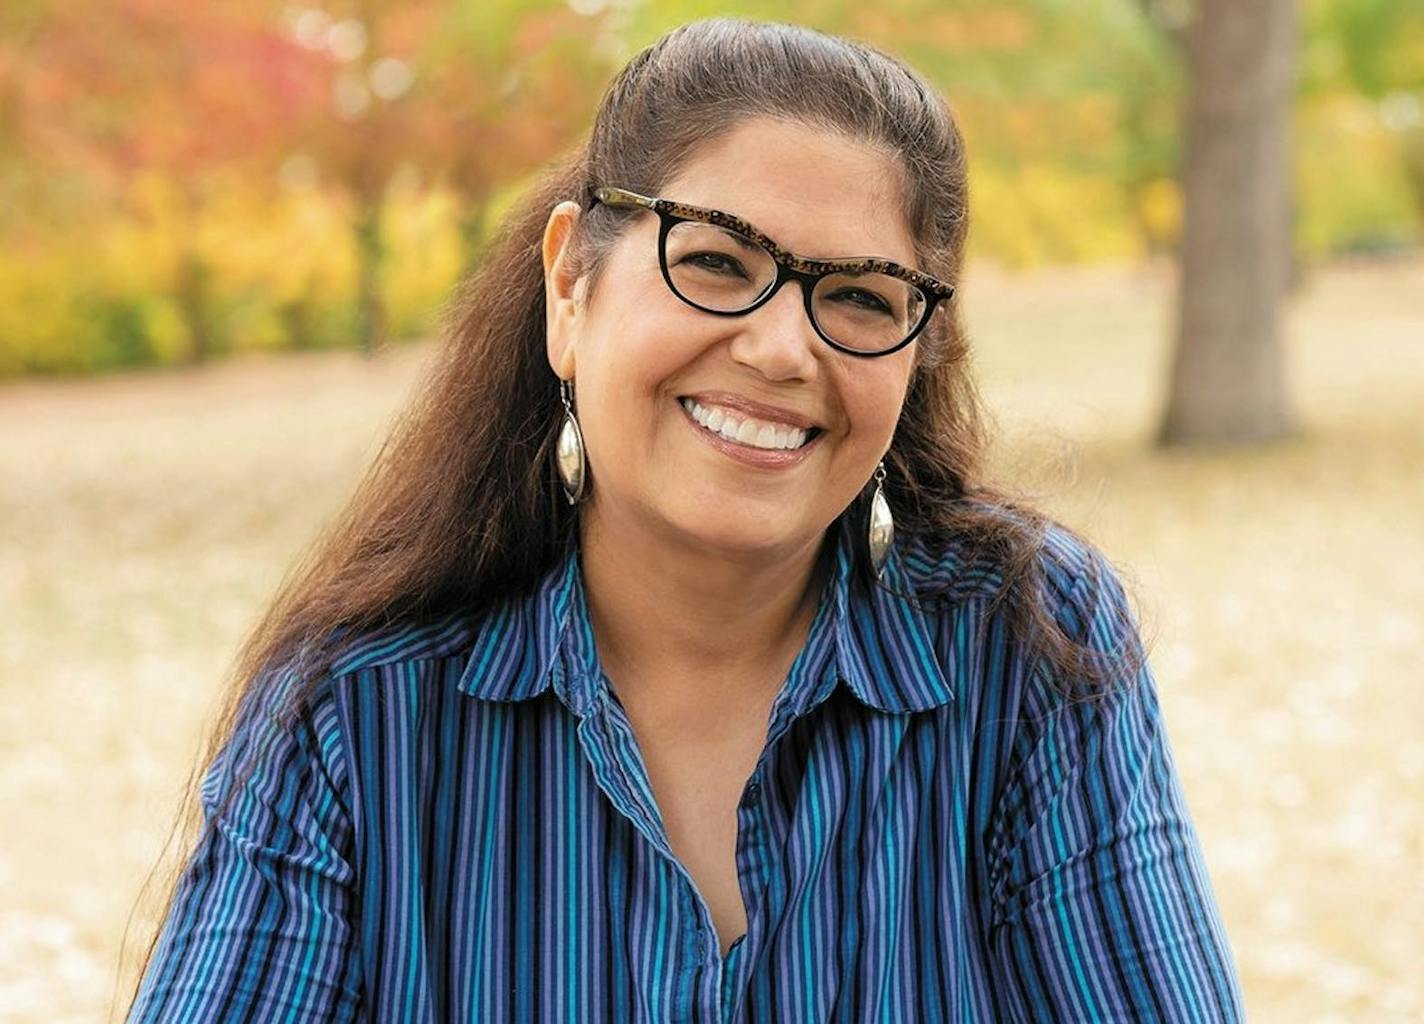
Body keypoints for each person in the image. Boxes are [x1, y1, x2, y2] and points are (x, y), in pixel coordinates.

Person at [121, 17, 1245, 1023]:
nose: (778, 348)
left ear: (918, 350)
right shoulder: (354, 713)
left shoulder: (1027, 646)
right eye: (714, 261)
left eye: (859, 295)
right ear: (570, 286)